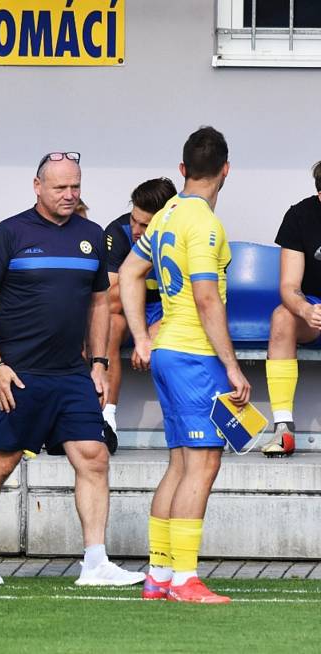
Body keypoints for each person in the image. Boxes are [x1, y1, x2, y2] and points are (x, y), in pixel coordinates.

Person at [0, 150, 144, 588]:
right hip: (17, 374)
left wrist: (99, 363)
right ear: (37, 186)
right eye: (60, 187)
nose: (69, 194)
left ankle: (95, 561)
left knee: (94, 458)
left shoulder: (92, 235)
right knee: (0, 464)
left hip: (71, 374)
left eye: (75, 186)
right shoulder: (8, 233)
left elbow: (100, 303)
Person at [120, 126, 251, 604]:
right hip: (195, 356)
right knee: (202, 465)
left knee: (179, 464)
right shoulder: (204, 223)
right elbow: (205, 296)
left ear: (182, 170)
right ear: (226, 171)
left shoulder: (166, 213)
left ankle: (159, 574)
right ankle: (185, 580)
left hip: (169, 352)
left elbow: (131, 273)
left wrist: (141, 337)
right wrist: (233, 367)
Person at [102, 178, 177, 445]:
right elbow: (110, 300)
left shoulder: (182, 234)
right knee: (107, 324)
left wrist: (149, 334)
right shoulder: (119, 231)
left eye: (145, 225)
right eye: (134, 219)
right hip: (128, 310)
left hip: (170, 312)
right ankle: (106, 418)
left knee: (177, 339)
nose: (136, 229)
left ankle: (186, 423)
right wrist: (139, 331)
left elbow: (191, 302)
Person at [261, 162, 321, 457]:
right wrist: (305, 309)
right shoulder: (300, 215)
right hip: (315, 312)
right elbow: (288, 286)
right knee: (282, 316)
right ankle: (283, 428)